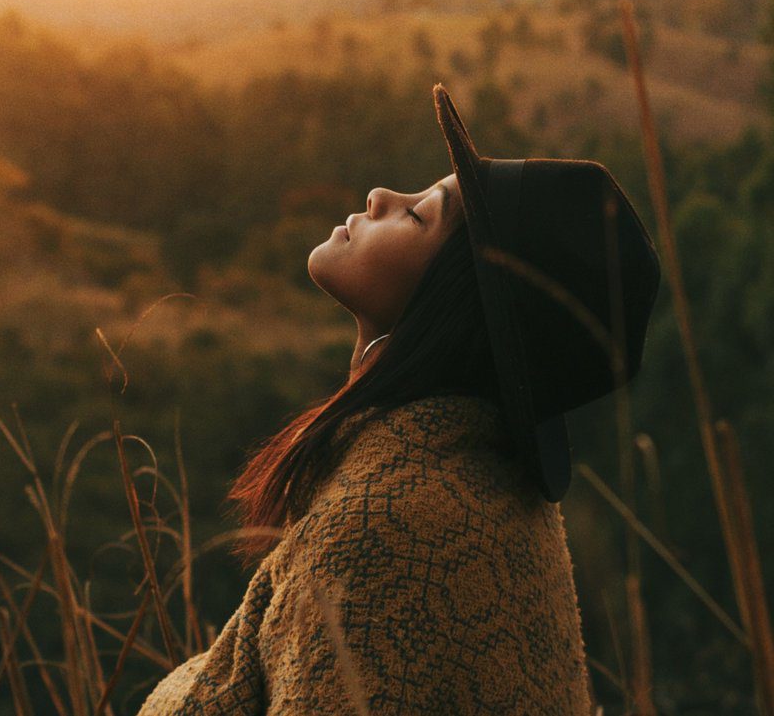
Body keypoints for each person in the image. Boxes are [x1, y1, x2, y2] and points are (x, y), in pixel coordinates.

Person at [137, 84, 661, 715]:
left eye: (417, 216)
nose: (381, 196)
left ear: (456, 306)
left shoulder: (383, 529)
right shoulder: (477, 490)